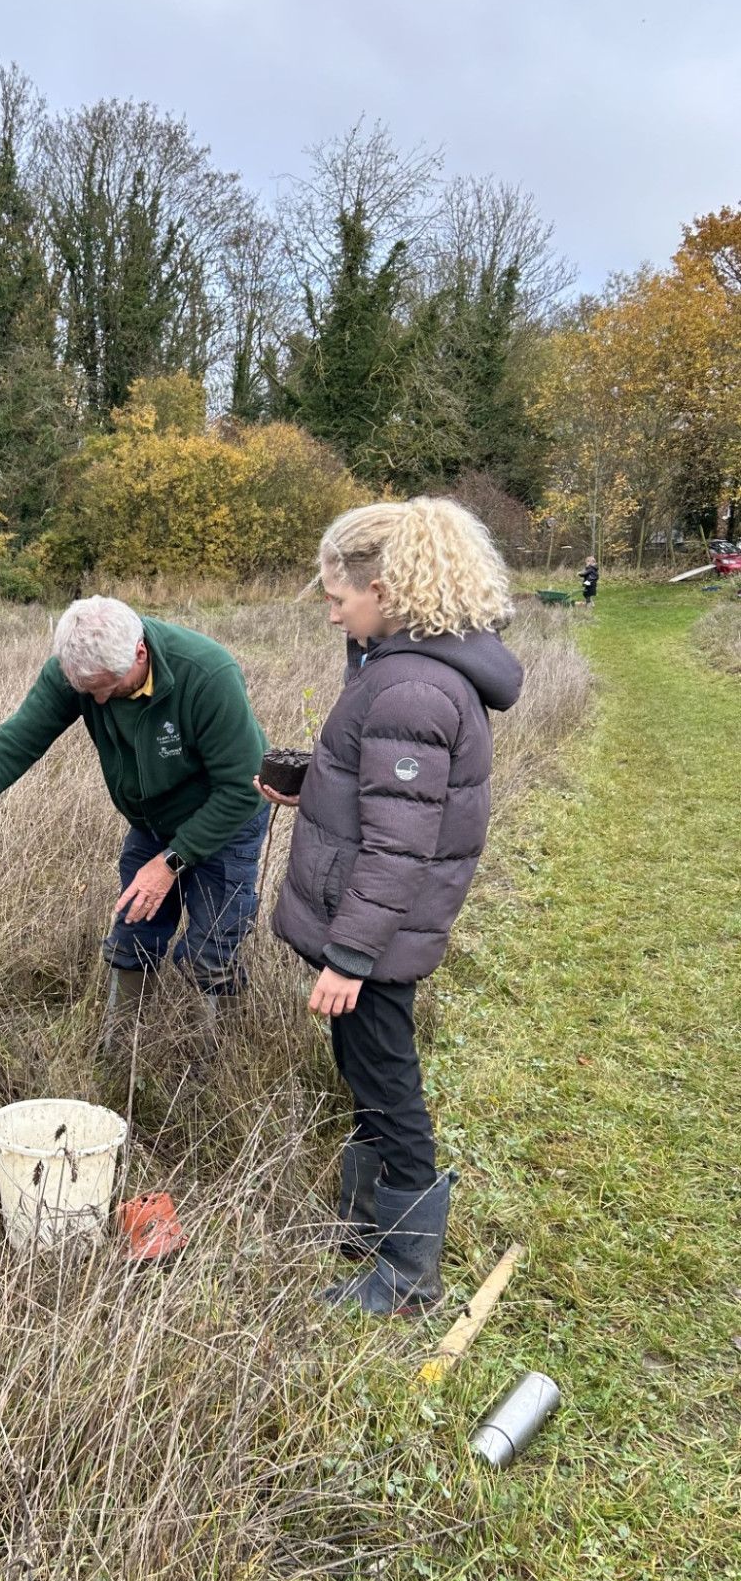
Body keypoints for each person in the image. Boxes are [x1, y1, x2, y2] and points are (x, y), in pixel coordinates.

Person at [261, 497, 522, 1316]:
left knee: (387, 1088)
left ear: (387, 587)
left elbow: (402, 846)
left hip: (371, 937)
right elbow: (390, 797)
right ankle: (367, 1226)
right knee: (364, 1071)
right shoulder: (400, 665)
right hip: (369, 928)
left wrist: (350, 957)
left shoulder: (412, 686)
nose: (333, 610)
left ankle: (407, 1278)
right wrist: (316, 785)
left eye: (340, 596)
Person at [0, 597, 268, 1040]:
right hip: (153, 821)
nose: (96, 699)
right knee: (134, 931)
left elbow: (241, 788)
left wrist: (171, 863)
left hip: (224, 820)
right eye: (85, 690)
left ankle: (215, 1062)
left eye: (106, 686)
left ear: (139, 653)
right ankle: (122, 1050)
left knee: (212, 950)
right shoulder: (78, 672)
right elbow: (18, 742)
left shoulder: (206, 674)